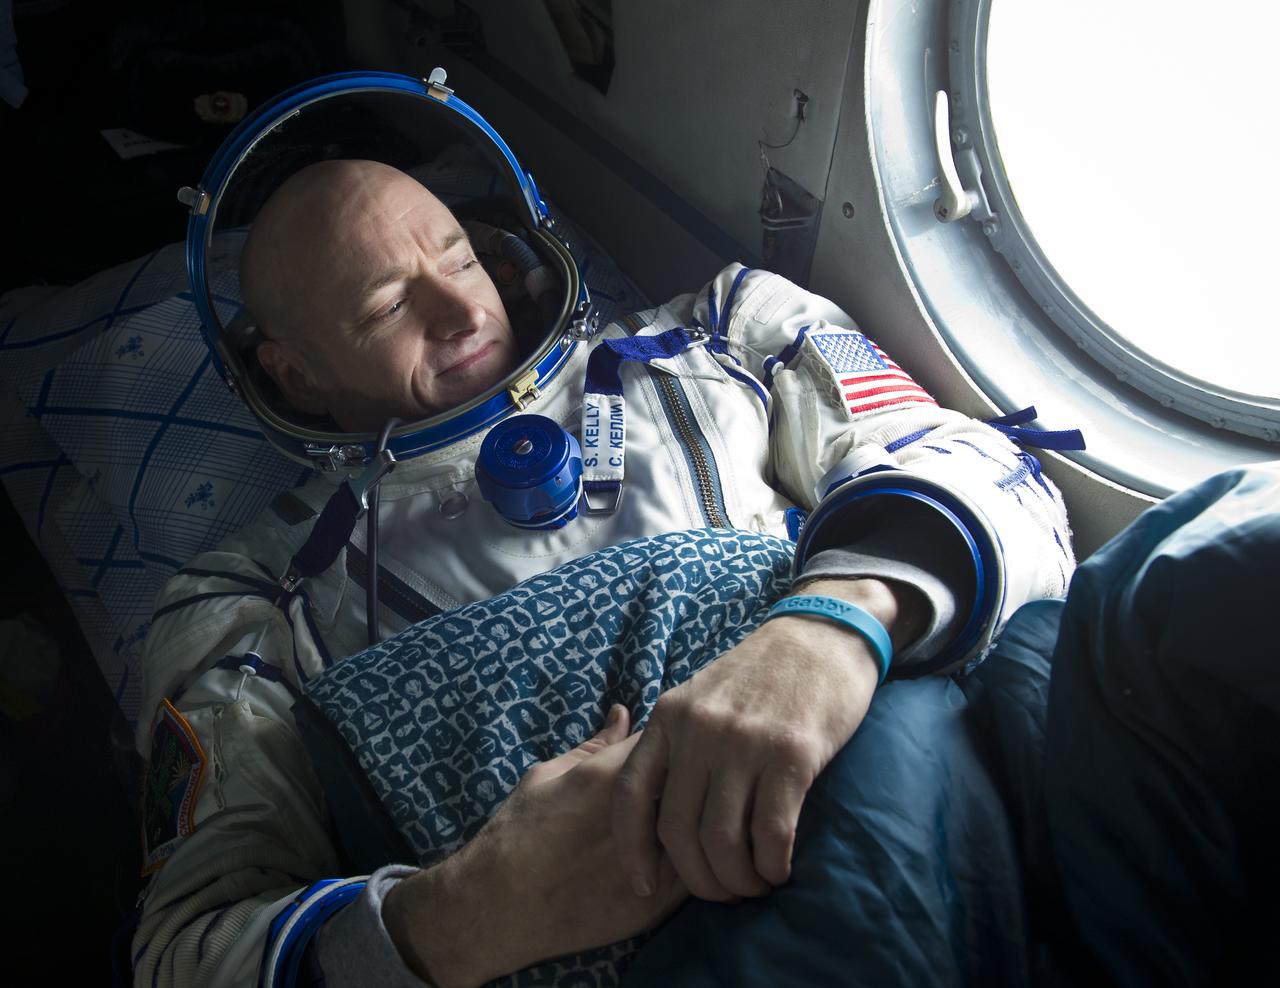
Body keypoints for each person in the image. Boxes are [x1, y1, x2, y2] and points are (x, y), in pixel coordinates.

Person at [132, 79, 1077, 988]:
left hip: (904, 789)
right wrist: (475, 908)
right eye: (387, 306)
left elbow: (999, 478)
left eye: (458, 259)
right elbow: (188, 953)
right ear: (294, 374)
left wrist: (830, 630)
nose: (463, 311)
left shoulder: (730, 332)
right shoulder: (253, 601)